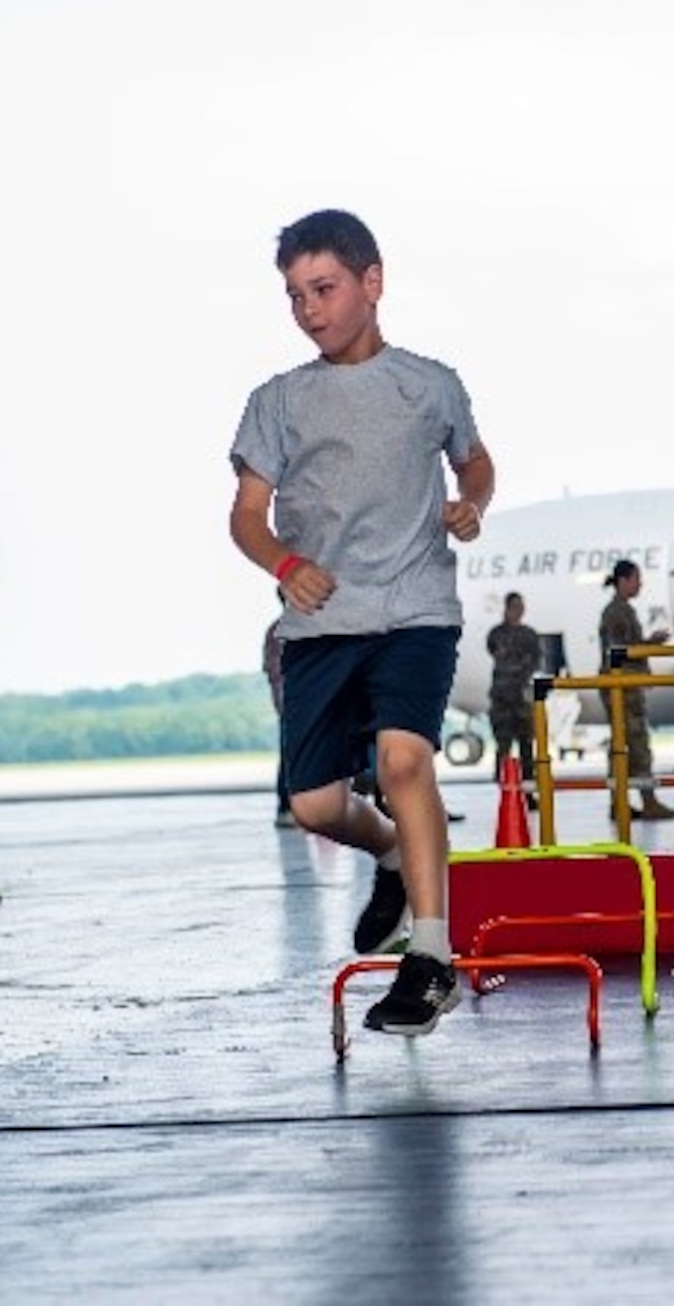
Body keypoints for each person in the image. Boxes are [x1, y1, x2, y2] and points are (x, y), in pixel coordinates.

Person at [228, 208, 495, 1038]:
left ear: (372, 283)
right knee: (313, 805)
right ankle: (386, 852)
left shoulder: (430, 384)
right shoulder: (277, 401)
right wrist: (284, 562)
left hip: (415, 607)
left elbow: (475, 458)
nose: (309, 308)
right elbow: (245, 515)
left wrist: (471, 502)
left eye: (325, 288)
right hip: (319, 623)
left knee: (405, 759)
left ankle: (432, 956)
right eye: (295, 294)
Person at [598, 558, 674, 819]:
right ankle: (645, 799)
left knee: (623, 745)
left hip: (625, 685)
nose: (640, 584)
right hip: (623, 687)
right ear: (624, 580)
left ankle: (620, 800)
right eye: (636, 579)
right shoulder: (617, 612)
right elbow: (621, 650)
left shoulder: (622, 610)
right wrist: (648, 645)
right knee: (634, 744)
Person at [485, 592, 544, 796]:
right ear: (507, 608)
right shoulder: (496, 634)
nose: (519, 611)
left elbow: (536, 660)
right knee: (503, 746)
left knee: (527, 745)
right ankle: (506, 790)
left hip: (521, 698)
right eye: (515, 607)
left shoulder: (529, 635)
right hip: (502, 699)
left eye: (521, 607)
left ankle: (528, 791)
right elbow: (494, 651)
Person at [262, 616, 295, 827]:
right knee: (289, 755)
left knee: (289, 754)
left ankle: (288, 808)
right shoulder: (282, 630)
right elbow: (274, 670)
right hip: (292, 703)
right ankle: (286, 808)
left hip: (290, 702)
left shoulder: (276, 630)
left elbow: (270, 669)